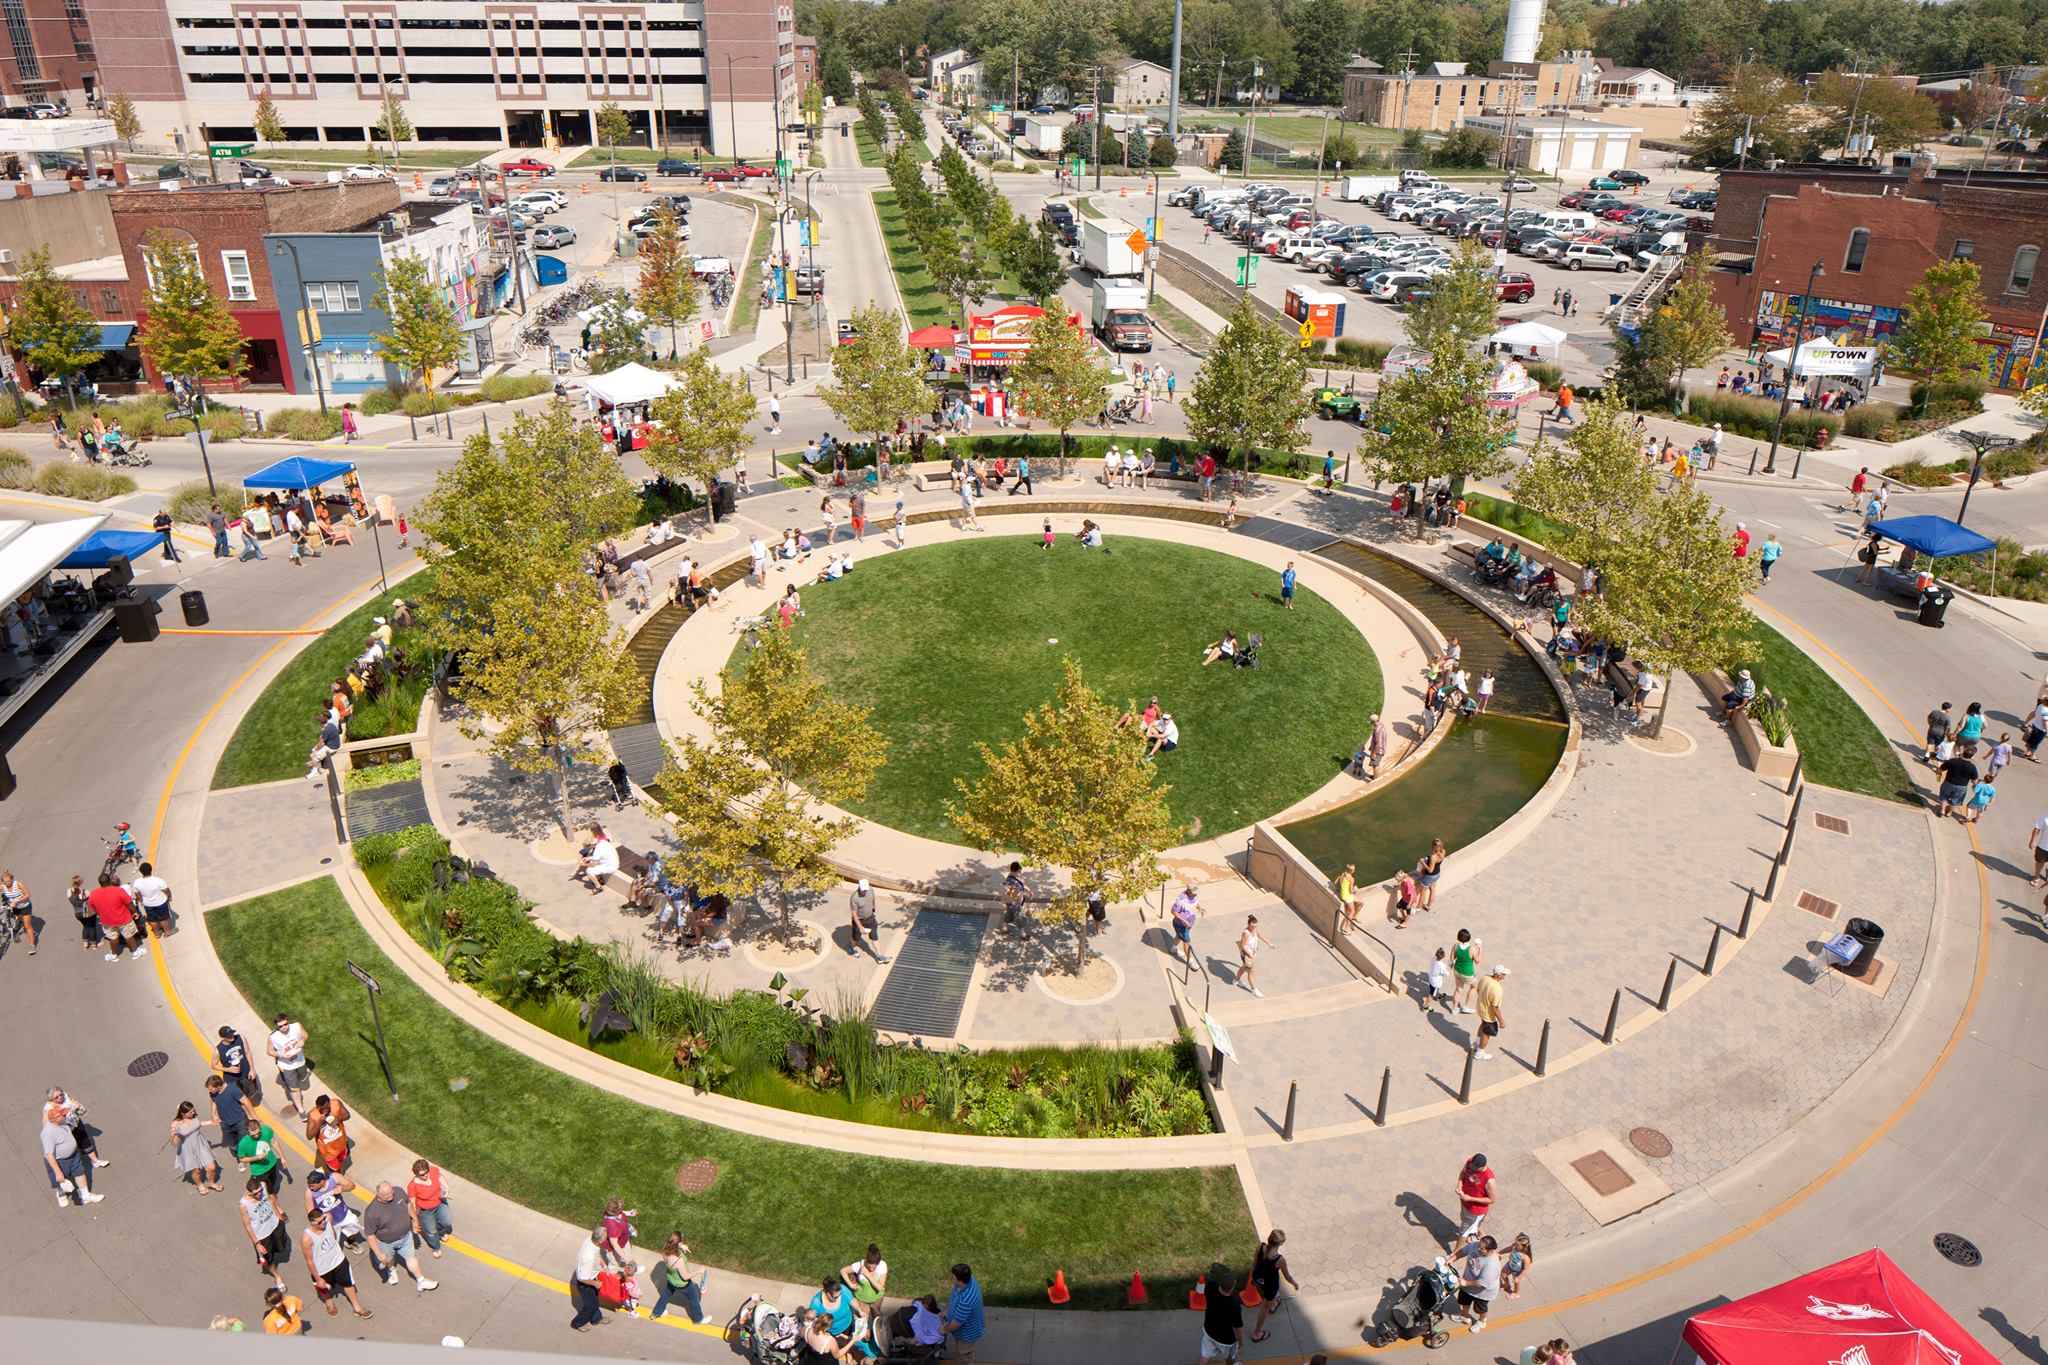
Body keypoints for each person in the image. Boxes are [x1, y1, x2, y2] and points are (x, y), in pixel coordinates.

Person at [363, 1181, 439, 1291]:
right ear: (378, 1195)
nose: (391, 1196)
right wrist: (378, 1254)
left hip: (405, 1236)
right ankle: (391, 1270)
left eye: (391, 1192)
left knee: (411, 1257)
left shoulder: (398, 1191)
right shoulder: (371, 1212)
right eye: (387, 1195)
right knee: (388, 1260)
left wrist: (415, 1220)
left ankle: (421, 1281)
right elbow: (370, 1235)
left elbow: (408, 1204)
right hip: (386, 1242)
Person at [302, 1207, 373, 1319]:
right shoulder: (307, 1238)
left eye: (323, 1219)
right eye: (319, 1222)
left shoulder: (328, 1218)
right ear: (312, 1223)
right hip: (322, 1269)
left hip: (339, 1261)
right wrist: (318, 1278)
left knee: (348, 1283)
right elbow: (309, 1261)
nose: (323, 1223)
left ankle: (357, 1308)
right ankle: (329, 1303)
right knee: (323, 1288)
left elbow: (332, 1233)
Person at [41, 1105, 101, 1207]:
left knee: (80, 1173)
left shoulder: (63, 1122)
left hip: (74, 1156)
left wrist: (78, 1109)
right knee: (59, 1180)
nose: (65, 1116)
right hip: (59, 1161)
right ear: (55, 1118)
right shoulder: (47, 1133)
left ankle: (85, 1196)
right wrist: (58, 1172)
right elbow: (49, 1155)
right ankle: (61, 1194)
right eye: (62, 1115)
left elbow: (77, 1119)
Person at [239, 1176, 291, 1290]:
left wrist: (279, 1215)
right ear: (250, 1193)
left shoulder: (263, 1185)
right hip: (262, 1236)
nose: (259, 1194)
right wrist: (257, 1244)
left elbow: (271, 1199)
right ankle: (278, 1277)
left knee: (281, 1247)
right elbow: (247, 1226)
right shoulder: (244, 1205)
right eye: (256, 1193)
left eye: (260, 1191)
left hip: (275, 1225)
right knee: (267, 1260)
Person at [1248, 1230, 1299, 1342]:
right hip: (1271, 1286)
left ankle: (1274, 1304)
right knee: (1265, 1308)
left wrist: (1253, 1277)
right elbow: (1287, 1276)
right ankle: (1256, 1334)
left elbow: (1254, 1263)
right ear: (1280, 1243)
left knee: (1273, 1297)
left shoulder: (1260, 1246)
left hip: (1260, 1281)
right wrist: (1294, 1284)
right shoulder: (1280, 1259)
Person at [171, 1099, 222, 1194]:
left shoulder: (194, 1117)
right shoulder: (176, 1124)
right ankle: (199, 1185)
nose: (194, 1113)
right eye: (190, 1112)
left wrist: (211, 1122)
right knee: (197, 1171)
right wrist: (175, 1135)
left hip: (200, 1145)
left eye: (193, 1110)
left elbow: (198, 1124)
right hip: (187, 1149)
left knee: (212, 1167)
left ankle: (211, 1183)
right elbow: (174, 1144)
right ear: (183, 1114)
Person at [407, 1158, 453, 1258]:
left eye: (426, 1172)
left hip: (440, 1203)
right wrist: (415, 1219)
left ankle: (441, 1233)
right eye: (422, 1174)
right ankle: (435, 1247)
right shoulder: (412, 1186)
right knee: (431, 1231)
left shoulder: (433, 1171)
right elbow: (412, 1203)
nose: (426, 1175)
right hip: (425, 1211)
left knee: (447, 1221)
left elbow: (440, 1176)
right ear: (416, 1174)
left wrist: (447, 1188)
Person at [1456, 1234, 1502, 1332]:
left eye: (1482, 1249)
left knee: (1480, 1309)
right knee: (1464, 1300)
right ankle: (1464, 1316)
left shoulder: (1492, 1265)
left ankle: (1482, 1321)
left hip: (1482, 1292)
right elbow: (1464, 1251)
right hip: (1468, 1282)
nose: (1478, 1249)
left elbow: (1481, 1283)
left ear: (1491, 1250)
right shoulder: (1477, 1245)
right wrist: (1452, 1258)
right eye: (1479, 1246)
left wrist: (1465, 1283)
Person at [941, 1264, 986, 1364]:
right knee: (964, 1353)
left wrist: (944, 1330)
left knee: (962, 1356)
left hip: (967, 1335)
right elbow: (953, 1295)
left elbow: (956, 1324)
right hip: (961, 1331)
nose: (950, 1278)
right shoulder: (967, 1279)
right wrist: (946, 1310)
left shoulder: (967, 1300)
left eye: (953, 1277)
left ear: (960, 1281)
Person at [1199, 1269, 1246, 1361]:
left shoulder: (1211, 1286)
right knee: (1230, 1357)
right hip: (1226, 1340)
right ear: (1232, 1288)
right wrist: (1241, 1344)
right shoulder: (1234, 1306)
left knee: (1205, 1356)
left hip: (1209, 1331)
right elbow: (1237, 1329)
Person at [570, 1226, 608, 1331]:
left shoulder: (590, 1240)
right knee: (589, 1306)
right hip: (585, 1284)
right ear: (600, 1240)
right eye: (606, 1237)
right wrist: (596, 1283)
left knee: (594, 1300)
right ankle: (577, 1323)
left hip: (591, 1277)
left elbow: (597, 1252)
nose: (607, 1238)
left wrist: (604, 1265)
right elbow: (582, 1278)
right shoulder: (588, 1257)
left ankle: (596, 1318)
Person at [1455, 1153, 1498, 1244]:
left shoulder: (1489, 1180)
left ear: (1482, 1167)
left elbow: (1492, 1200)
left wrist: (1471, 1199)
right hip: (1465, 1201)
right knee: (1463, 1218)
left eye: (1475, 1168)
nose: (1472, 1169)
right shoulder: (1470, 1162)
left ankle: (1457, 1250)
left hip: (1475, 1209)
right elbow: (1463, 1173)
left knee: (1464, 1231)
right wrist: (1459, 1186)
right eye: (1472, 1166)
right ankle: (1480, 1233)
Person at [305, 1094, 352, 1173]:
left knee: (342, 1160)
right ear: (317, 1107)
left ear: (329, 1103)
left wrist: (338, 1119)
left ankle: (341, 1172)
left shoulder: (336, 1104)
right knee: (335, 1170)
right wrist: (319, 1123)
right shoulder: (312, 1115)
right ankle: (338, 1176)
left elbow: (347, 1115)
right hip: (328, 1152)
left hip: (342, 1144)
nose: (325, 1111)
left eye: (326, 1108)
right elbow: (309, 1136)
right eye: (322, 1109)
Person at [217, 1024, 261, 1104]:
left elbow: (248, 1053)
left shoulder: (241, 1038)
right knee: (239, 1099)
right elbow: (214, 1065)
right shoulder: (218, 1050)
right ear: (223, 1038)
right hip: (231, 1079)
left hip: (245, 1074)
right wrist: (228, 1069)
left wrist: (252, 1069)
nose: (231, 1036)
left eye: (231, 1033)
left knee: (251, 1094)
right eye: (228, 1036)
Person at [1472, 965, 1508, 1060]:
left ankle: (1476, 1043)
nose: (1505, 975)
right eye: (1503, 974)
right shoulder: (1497, 989)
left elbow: (1478, 989)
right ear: (1498, 975)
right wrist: (1501, 1022)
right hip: (1488, 1014)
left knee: (1483, 1024)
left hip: (1480, 1008)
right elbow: (1495, 1008)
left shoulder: (1485, 977)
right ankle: (1480, 1053)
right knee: (1487, 1033)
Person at [848, 878, 889, 962]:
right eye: (863, 890)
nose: (865, 892)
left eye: (865, 890)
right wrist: (860, 927)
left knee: (874, 936)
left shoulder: (870, 890)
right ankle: (853, 948)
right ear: (859, 887)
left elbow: (873, 899)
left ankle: (879, 956)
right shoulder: (854, 898)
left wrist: (873, 908)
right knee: (855, 937)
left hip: (870, 918)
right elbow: (854, 914)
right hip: (859, 920)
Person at [573, 823, 619, 894]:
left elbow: (593, 865)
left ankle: (598, 886)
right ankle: (596, 878)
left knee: (589, 870)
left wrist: (582, 864)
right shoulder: (602, 841)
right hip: (610, 860)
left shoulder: (598, 847)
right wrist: (589, 858)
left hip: (610, 866)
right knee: (590, 860)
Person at [130, 860, 173, 935]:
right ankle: (166, 932)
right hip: (161, 903)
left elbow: (136, 893)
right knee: (163, 918)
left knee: (152, 920)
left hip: (148, 904)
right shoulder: (158, 880)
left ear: (141, 872)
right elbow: (166, 890)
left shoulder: (137, 882)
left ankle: (156, 934)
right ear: (151, 869)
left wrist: (141, 900)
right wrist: (169, 896)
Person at [1234, 915, 1271, 997]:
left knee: (1244, 967)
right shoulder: (1246, 933)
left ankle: (1236, 980)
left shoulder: (1254, 930)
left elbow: (1260, 935)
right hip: (1246, 954)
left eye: (1256, 926)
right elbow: (1243, 945)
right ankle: (1254, 990)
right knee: (1251, 972)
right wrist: (1250, 955)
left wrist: (1268, 943)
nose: (1254, 928)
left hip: (1252, 953)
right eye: (1252, 926)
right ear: (1248, 925)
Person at [1935, 750, 1979, 819]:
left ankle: (1942, 811)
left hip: (1948, 783)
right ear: (1971, 757)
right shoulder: (1972, 767)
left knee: (1944, 796)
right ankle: (1949, 813)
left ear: (1962, 753)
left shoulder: (1953, 761)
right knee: (1955, 800)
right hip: (1961, 787)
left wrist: (1938, 776)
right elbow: (1975, 780)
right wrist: (1975, 786)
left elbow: (1940, 769)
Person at [1, 869, 34, 955]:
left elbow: (28, 895)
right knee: (22, 920)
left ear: (12, 879)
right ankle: (23, 924)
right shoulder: (3, 887)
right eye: (5, 882)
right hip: (16, 908)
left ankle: (32, 946)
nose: (7, 883)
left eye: (9, 881)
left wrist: (17, 902)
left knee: (27, 925)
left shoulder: (18, 884)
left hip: (25, 906)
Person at [1451, 929, 1481, 1013]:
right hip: (1468, 973)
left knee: (1458, 990)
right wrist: (1480, 949)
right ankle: (1466, 1006)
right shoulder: (1471, 949)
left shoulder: (1455, 945)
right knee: (1474, 987)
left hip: (1457, 970)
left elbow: (1452, 958)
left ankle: (1454, 1009)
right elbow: (1477, 961)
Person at [1170, 885, 1200, 968]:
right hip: (1181, 925)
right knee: (1187, 942)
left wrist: (1199, 907)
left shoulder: (1194, 896)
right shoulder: (1182, 900)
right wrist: (1184, 920)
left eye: (1196, 893)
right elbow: (1173, 911)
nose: (1195, 895)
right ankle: (1190, 961)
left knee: (1180, 936)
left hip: (1189, 923)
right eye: (1193, 893)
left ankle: (1173, 948)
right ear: (1188, 890)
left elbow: (1195, 902)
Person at [1001, 862, 1031, 941]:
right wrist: (1012, 900)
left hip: (1012, 902)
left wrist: (1029, 891)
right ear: (1013, 871)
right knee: (1020, 917)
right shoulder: (1009, 880)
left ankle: (1004, 928)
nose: (1020, 873)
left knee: (1009, 913)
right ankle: (1023, 934)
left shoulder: (1016, 876)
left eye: (1020, 871)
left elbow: (1021, 885)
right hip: (1015, 903)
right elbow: (1006, 890)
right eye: (1018, 871)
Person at [1416, 838, 1446, 911]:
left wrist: (1423, 862)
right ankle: (1428, 906)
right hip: (1437, 874)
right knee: (1433, 890)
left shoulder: (1433, 857)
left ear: (1433, 846)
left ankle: (1418, 908)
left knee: (1423, 892)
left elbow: (1430, 870)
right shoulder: (1443, 851)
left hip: (1430, 876)